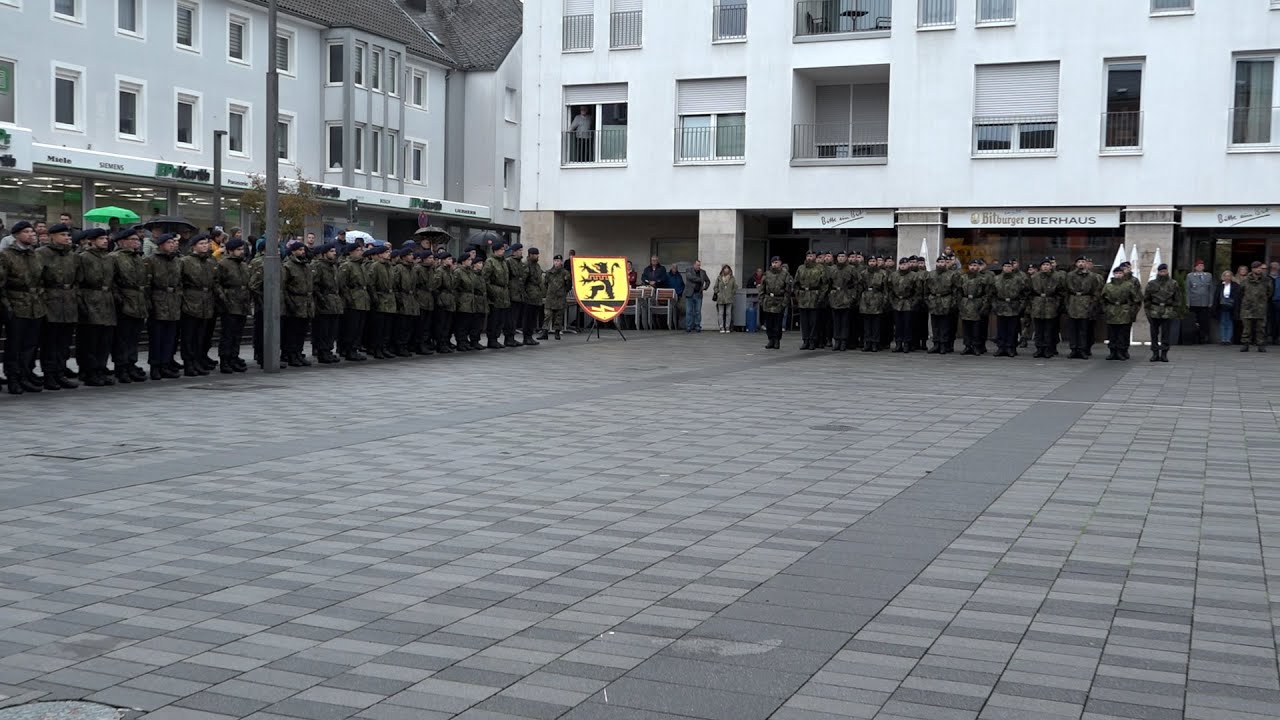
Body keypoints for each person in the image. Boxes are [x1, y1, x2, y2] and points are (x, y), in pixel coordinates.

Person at [1, 221, 47, 394]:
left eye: (32, 232)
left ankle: (26, 374)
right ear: (16, 235)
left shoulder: (34, 255)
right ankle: (13, 377)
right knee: (15, 345)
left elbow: (41, 279)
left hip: (35, 305)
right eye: (26, 232)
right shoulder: (6, 255)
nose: (31, 234)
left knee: (30, 344)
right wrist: (7, 307)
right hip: (16, 304)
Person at [37, 223, 79, 388]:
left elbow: (78, 279)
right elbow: (37, 278)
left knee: (64, 342)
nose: (67, 238)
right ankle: (49, 374)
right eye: (63, 235)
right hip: (50, 302)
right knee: (50, 342)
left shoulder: (72, 255)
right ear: (52, 236)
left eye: (68, 235)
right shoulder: (41, 254)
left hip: (68, 303)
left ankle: (60, 372)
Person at [76, 229, 118, 387]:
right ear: (91, 240)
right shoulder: (83, 258)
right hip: (90, 299)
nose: (105, 241)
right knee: (90, 340)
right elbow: (78, 282)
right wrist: (81, 303)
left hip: (106, 301)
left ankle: (100, 368)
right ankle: (88, 371)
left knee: (104, 340)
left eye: (106, 238)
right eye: (101, 238)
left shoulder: (109, 258)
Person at [110, 227, 148, 384]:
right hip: (124, 301)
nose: (136, 242)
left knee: (134, 337)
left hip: (138, 302)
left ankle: (131, 364)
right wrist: (119, 299)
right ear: (121, 242)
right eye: (132, 240)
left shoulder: (138, 258)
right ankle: (121, 366)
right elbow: (111, 281)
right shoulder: (114, 257)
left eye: (137, 240)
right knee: (122, 338)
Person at [146, 233, 183, 379]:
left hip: (173, 301)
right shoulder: (151, 261)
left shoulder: (177, 261)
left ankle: (166, 364)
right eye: (169, 242)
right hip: (158, 300)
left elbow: (180, 281)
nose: (172, 244)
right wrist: (149, 303)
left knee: (170, 337)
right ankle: (155, 365)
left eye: (173, 242)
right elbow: (147, 284)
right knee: (157, 337)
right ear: (161, 245)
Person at [179, 234, 217, 376]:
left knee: (201, 335)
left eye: (206, 243)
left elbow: (215, 281)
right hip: (191, 301)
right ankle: (189, 363)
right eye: (201, 243)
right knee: (189, 335)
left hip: (206, 302)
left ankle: (198, 360)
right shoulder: (185, 261)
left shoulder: (210, 262)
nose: (205, 246)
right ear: (193, 246)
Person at [213, 237, 252, 373]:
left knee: (238, 334)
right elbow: (217, 283)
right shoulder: (224, 264)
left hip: (242, 303)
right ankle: (225, 359)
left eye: (242, 249)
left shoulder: (243, 264)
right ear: (230, 251)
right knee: (228, 334)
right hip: (230, 302)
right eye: (238, 249)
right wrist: (223, 297)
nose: (241, 252)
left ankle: (234, 357)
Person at [1065, 255, 1103, 359]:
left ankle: (1083, 349)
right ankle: (1073, 349)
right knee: (1073, 330)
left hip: (1086, 303)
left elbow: (1096, 291)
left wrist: (1092, 304)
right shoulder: (1070, 275)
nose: (1081, 264)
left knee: (1083, 330)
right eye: (1079, 262)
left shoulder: (1092, 276)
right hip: (1073, 304)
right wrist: (1067, 305)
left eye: (1083, 262)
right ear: (1076, 264)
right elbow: (1066, 291)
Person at [1143, 263, 1183, 362]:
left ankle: (1164, 353)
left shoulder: (1173, 283)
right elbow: (1147, 299)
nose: (1162, 273)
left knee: (1166, 334)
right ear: (1158, 272)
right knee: (1154, 334)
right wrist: (1148, 311)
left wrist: (1174, 311)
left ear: (1167, 271)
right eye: (1161, 271)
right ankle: (1155, 353)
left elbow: (1177, 299)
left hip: (1167, 311)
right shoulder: (1152, 283)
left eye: (1164, 271)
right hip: (1154, 310)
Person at [1101, 265, 1142, 360]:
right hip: (1112, 311)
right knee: (1112, 333)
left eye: (1120, 273)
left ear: (1123, 274)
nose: (1118, 275)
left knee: (1122, 333)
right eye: (1116, 273)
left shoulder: (1129, 285)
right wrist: (1106, 309)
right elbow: (1102, 299)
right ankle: (1112, 351)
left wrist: (1131, 311)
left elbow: (1136, 299)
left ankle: (1121, 351)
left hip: (1124, 311)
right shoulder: (1108, 286)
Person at [337, 243, 369, 361]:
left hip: (362, 300)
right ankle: (348, 349)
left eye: (361, 250)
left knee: (359, 327)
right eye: (357, 250)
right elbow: (342, 284)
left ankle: (353, 348)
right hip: (352, 300)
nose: (360, 252)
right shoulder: (347, 266)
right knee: (351, 327)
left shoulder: (361, 265)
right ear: (350, 252)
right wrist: (349, 299)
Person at [1028, 258, 1065, 358]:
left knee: (1049, 330)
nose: (1045, 266)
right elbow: (1029, 292)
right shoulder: (1034, 277)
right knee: (1038, 329)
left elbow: (1061, 292)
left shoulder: (1056, 277)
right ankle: (1039, 348)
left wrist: (1056, 304)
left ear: (1051, 266)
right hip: (1037, 305)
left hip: (1051, 305)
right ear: (1040, 267)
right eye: (1043, 264)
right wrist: (1033, 303)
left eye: (1047, 265)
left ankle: (1048, 349)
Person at [365, 243, 396, 359]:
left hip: (389, 299)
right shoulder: (375, 266)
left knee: (387, 327)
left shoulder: (390, 266)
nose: (389, 254)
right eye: (386, 252)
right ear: (380, 254)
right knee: (379, 327)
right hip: (380, 298)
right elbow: (371, 284)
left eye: (389, 252)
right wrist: (375, 297)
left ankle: (384, 347)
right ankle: (376, 348)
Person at [925, 255, 962, 354]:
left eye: (943, 262)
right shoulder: (930, 274)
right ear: (936, 263)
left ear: (946, 264)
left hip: (946, 301)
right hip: (934, 301)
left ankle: (944, 345)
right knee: (935, 324)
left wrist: (953, 303)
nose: (940, 264)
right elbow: (926, 290)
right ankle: (936, 344)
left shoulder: (952, 274)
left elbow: (956, 290)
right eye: (939, 262)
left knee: (945, 325)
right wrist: (928, 301)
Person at [482, 241, 513, 348]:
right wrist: (491, 292)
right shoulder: (490, 261)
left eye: (503, 250)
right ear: (495, 250)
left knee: (501, 319)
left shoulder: (503, 262)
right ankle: (492, 339)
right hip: (495, 293)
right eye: (501, 249)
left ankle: (496, 337)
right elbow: (485, 279)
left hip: (504, 293)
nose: (503, 251)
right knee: (494, 319)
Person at [992, 259, 1026, 358]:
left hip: (1013, 306)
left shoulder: (1018, 279)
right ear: (1002, 268)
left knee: (1013, 330)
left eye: (1009, 266)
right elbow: (992, 294)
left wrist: (1021, 306)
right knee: (1001, 329)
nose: (1007, 268)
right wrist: (995, 305)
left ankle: (1011, 348)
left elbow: (1024, 294)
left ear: (1012, 268)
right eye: (1005, 266)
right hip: (1001, 306)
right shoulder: (997, 279)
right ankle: (1001, 347)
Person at [794, 251, 826, 349]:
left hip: (814, 297)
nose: (809, 257)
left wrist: (820, 296)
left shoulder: (820, 268)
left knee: (814, 321)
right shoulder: (801, 268)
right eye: (808, 256)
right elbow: (796, 283)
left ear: (815, 257)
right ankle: (805, 340)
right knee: (804, 322)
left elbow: (824, 284)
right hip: (803, 297)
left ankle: (813, 340)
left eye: (811, 256)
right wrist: (798, 295)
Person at [1239, 261, 1272, 352]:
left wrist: (1261, 299)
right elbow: (1241, 292)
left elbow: (1269, 292)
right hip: (1248, 308)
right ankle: (1245, 344)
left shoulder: (1266, 280)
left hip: (1260, 307)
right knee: (1246, 328)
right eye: (1257, 268)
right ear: (1253, 269)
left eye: (1260, 268)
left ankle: (1261, 345)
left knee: (1261, 328)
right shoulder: (1245, 280)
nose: (1259, 269)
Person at [758, 257, 789, 350]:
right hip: (768, 300)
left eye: (777, 262)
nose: (775, 264)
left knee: (777, 323)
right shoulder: (767, 274)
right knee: (769, 322)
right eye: (773, 262)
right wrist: (761, 300)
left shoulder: (785, 274)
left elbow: (788, 290)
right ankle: (770, 339)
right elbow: (762, 288)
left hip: (779, 300)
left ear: (780, 263)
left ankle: (777, 340)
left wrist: (784, 302)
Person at [1185, 259, 1213, 344]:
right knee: (1193, 321)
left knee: (1204, 321)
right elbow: (1187, 290)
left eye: (1202, 265)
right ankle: (1193, 338)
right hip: (1194, 302)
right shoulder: (1190, 276)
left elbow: (1210, 290)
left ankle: (1203, 338)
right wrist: (1187, 302)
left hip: (1204, 302)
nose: (1200, 267)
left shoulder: (1208, 275)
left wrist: (1210, 302)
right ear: (1195, 267)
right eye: (1198, 266)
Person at [505, 243, 527, 346]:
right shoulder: (509, 262)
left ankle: (512, 337)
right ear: (514, 251)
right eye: (519, 250)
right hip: (512, 293)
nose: (521, 252)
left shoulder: (520, 263)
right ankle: (508, 338)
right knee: (510, 318)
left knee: (515, 318)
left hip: (519, 293)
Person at [543, 254, 570, 340]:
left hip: (560, 297)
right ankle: (545, 332)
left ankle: (557, 332)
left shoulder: (565, 273)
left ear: (561, 262)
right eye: (555, 261)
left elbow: (568, 285)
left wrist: (563, 292)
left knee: (558, 316)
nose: (556, 263)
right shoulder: (549, 272)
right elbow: (545, 284)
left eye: (558, 261)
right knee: (547, 315)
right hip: (550, 297)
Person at [682, 260, 711, 333]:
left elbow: (708, 281)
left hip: (698, 294)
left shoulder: (703, 272)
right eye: (697, 265)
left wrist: (705, 287)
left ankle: (697, 326)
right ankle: (688, 326)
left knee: (698, 311)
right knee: (689, 311)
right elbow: (690, 278)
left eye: (699, 265)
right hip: (689, 294)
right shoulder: (689, 270)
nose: (699, 267)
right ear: (694, 265)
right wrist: (700, 280)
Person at [523, 248, 545, 344]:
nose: (537, 256)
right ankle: (526, 337)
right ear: (530, 255)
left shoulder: (537, 266)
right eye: (535, 254)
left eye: (537, 254)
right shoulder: (526, 265)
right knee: (528, 317)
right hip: (529, 295)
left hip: (537, 296)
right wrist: (525, 294)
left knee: (533, 318)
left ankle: (530, 336)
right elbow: (523, 281)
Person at [1213, 270, 1239, 346]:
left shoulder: (1235, 285)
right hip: (1222, 306)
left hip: (1231, 306)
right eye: (1226, 276)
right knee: (1222, 322)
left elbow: (1237, 296)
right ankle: (1223, 339)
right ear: (1223, 277)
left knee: (1230, 322)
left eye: (1229, 276)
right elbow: (1216, 296)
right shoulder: (1220, 285)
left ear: (1231, 277)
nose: (1227, 277)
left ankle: (1228, 339)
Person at [713, 264, 739, 334]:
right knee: (720, 313)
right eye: (725, 269)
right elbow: (715, 287)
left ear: (729, 270)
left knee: (728, 313)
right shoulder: (719, 278)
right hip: (721, 298)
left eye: (727, 269)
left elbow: (735, 287)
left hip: (729, 298)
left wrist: (732, 293)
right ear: (723, 270)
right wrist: (717, 292)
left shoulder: (732, 278)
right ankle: (721, 327)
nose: (726, 270)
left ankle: (727, 327)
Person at [1269, 261, 1280, 345]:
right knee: (1270, 321)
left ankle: (1276, 338)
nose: (1274, 268)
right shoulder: (1267, 278)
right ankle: (1269, 338)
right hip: (1269, 302)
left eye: (1276, 267)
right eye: (1273, 267)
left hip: (1279, 302)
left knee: (1278, 321)